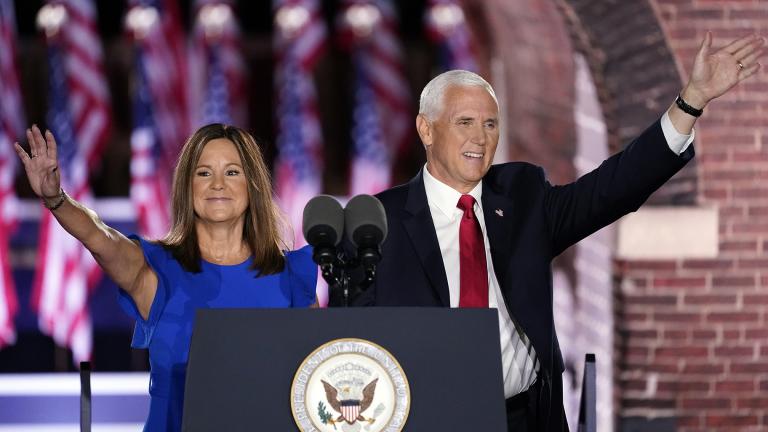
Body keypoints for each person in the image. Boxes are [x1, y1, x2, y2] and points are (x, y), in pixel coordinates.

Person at [349, 33, 764, 431]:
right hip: (427, 420)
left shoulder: (523, 198)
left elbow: (610, 190)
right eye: (465, 122)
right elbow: (353, 346)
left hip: (524, 418)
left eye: (491, 124)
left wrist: (690, 102)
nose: (480, 137)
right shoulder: (378, 223)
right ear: (426, 130)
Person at [14, 123, 318, 431]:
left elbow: (315, 382)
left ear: (252, 185)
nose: (217, 184)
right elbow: (101, 237)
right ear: (188, 186)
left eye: (231, 172)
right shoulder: (158, 269)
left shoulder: (292, 277)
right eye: (203, 173)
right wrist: (56, 199)